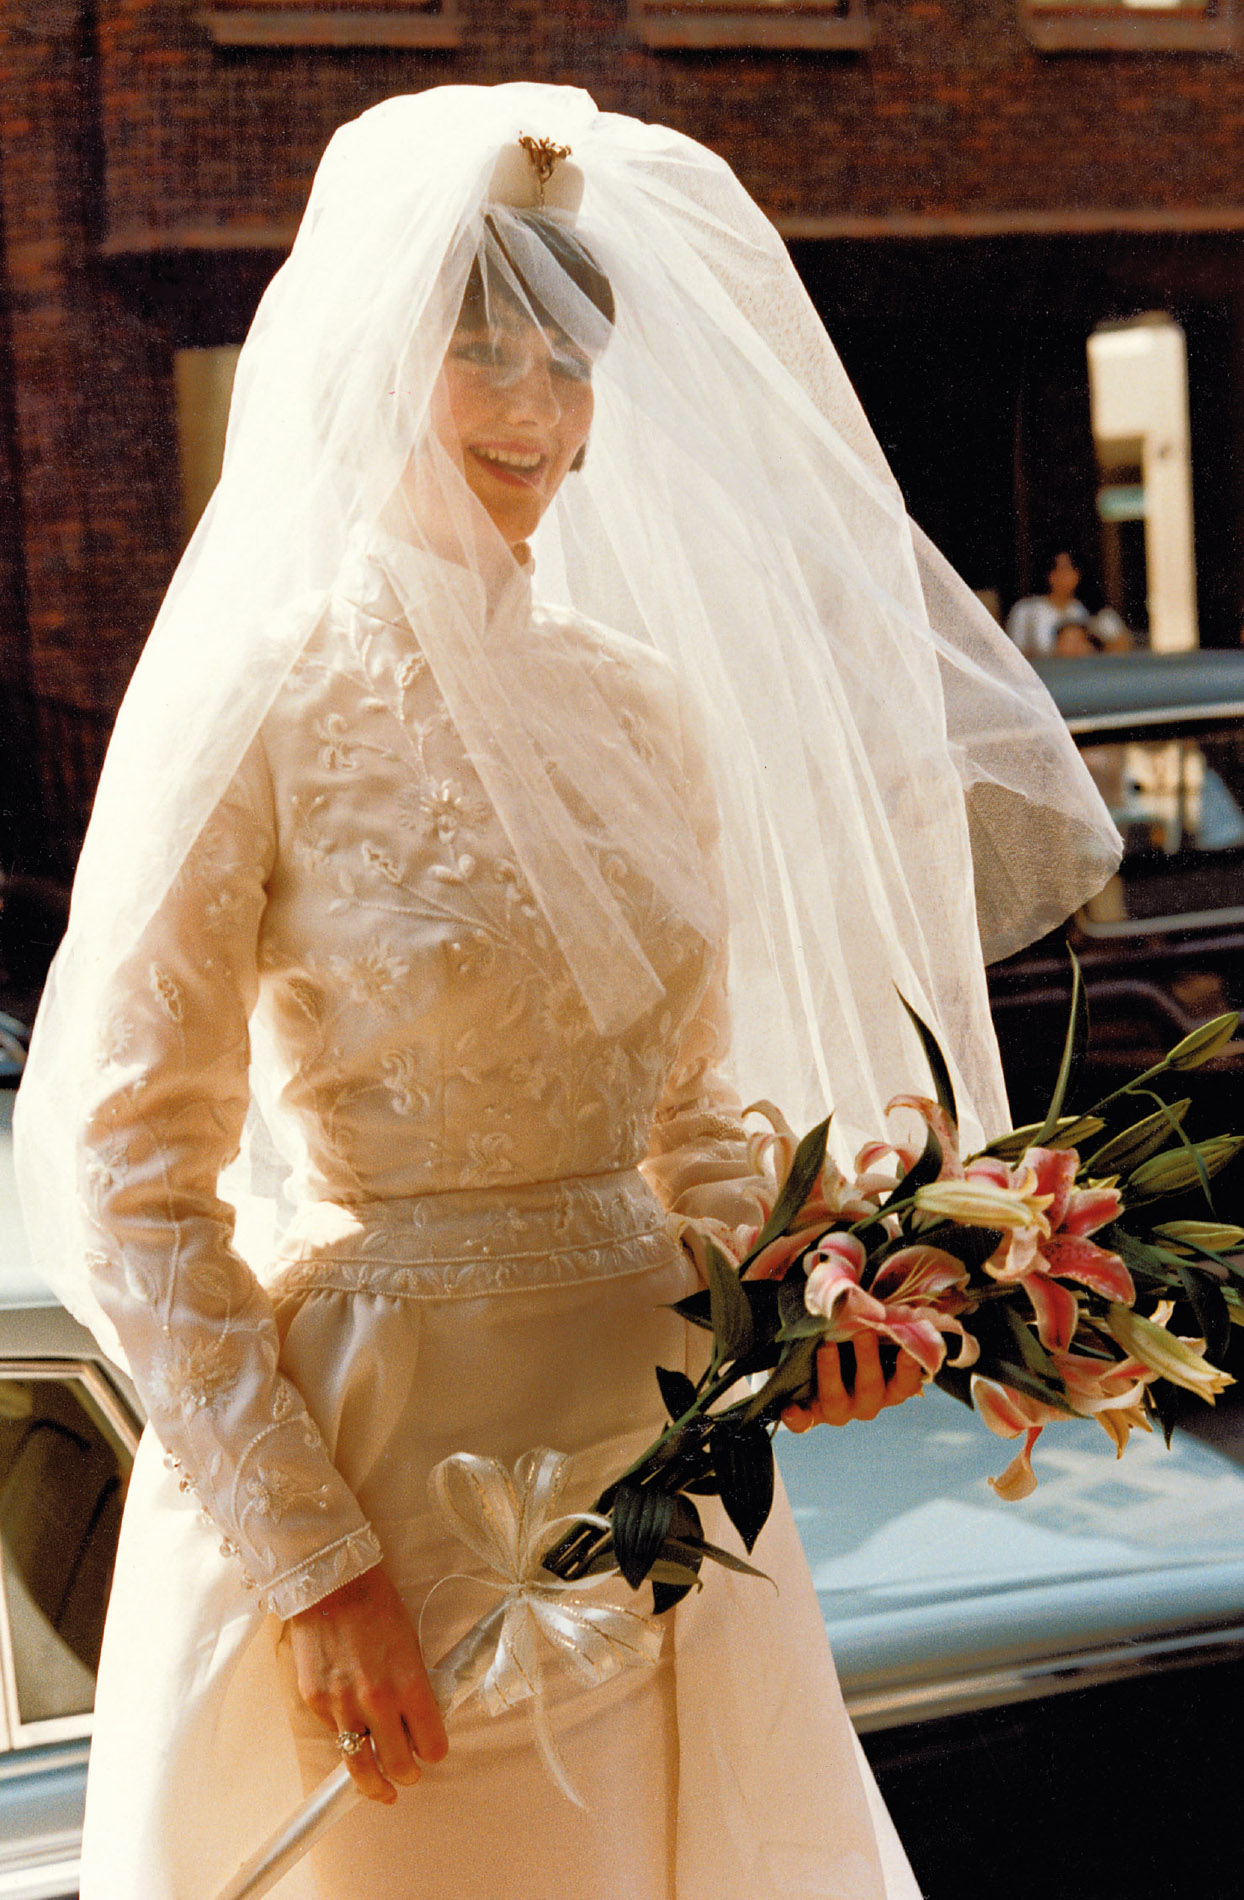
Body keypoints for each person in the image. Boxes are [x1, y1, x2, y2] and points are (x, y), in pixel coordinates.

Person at [13, 86, 1120, 1900]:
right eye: (481, 350)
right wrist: (313, 1567)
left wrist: (797, 1314)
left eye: (561, 355)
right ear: (379, 366)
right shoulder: (259, 702)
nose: (532, 406)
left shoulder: (641, 706)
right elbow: (129, 1174)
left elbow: (690, 1122)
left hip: (662, 1484)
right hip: (392, 1490)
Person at [1006, 549, 1091, 659]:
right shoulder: (1025, 609)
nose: (1066, 576)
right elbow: (1013, 654)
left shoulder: (1079, 610)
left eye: (1071, 569)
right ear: (1049, 574)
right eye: (1061, 569)